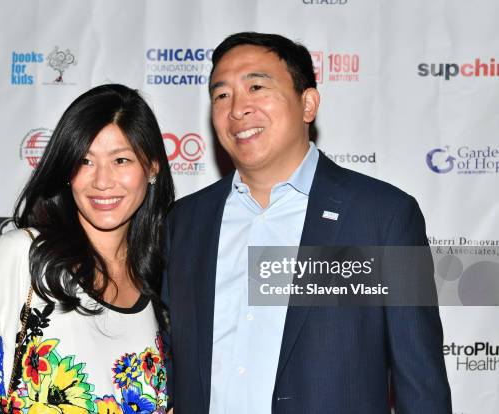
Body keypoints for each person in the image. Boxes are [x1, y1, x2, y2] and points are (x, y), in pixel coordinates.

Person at [162, 32, 452, 413]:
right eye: (222, 95)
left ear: (308, 104)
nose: (237, 109)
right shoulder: (186, 222)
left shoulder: (382, 217)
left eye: (257, 87)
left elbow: (421, 383)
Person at [0, 84, 174, 413]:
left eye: (121, 160)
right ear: (66, 172)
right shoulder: (22, 258)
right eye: (85, 161)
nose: (102, 181)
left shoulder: (160, 278)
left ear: (152, 168)